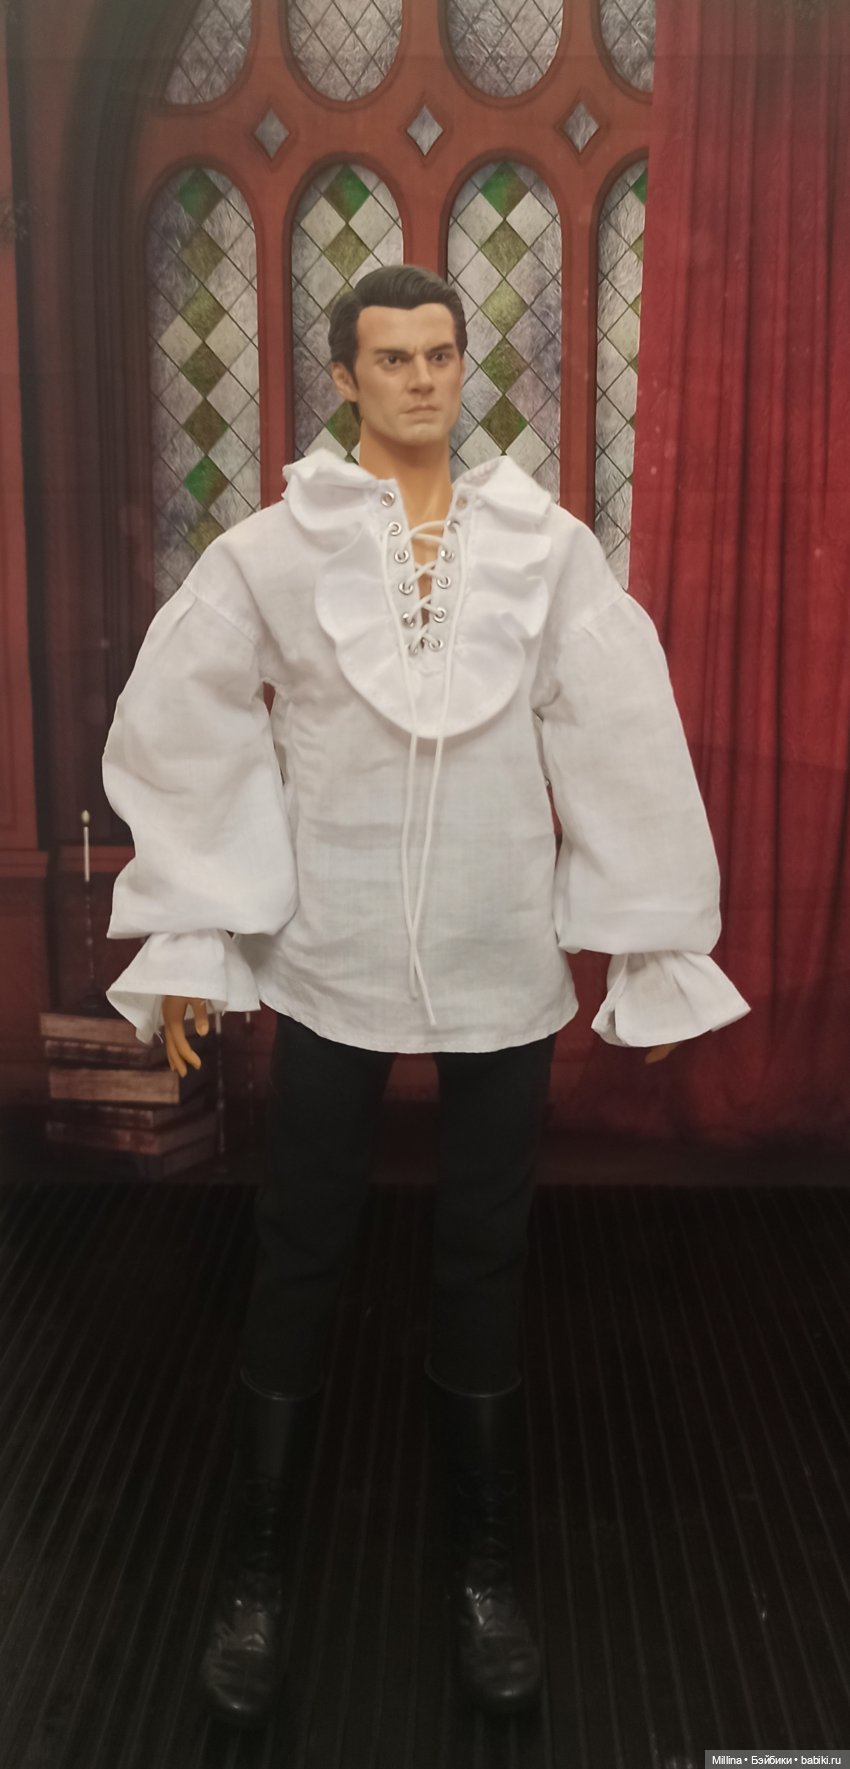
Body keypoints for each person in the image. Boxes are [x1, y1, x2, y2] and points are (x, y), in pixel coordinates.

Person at [101, 264, 749, 1726]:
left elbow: (618, 726)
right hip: (330, 958)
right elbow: (185, 716)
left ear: (464, 367)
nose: (420, 379)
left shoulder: (546, 550)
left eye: (440, 354)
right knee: (300, 1244)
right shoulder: (273, 553)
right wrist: (199, 921)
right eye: (390, 357)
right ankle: (258, 1570)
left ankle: (485, 1569)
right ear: (342, 375)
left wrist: (642, 933)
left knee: (483, 1254)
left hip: (497, 954)